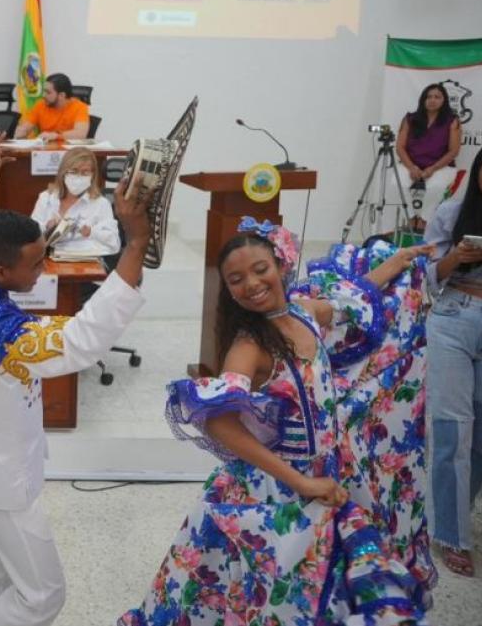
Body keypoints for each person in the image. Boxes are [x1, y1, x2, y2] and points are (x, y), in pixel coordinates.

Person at [120, 222, 432, 625]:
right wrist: (300, 482)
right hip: (272, 492)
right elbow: (219, 423)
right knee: (264, 596)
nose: (251, 283)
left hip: (327, 479)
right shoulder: (250, 344)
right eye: (236, 279)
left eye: (260, 269)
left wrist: (395, 262)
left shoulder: (307, 312)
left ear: (280, 266)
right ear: (228, 290)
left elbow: (356, 298)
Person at [0, 135, 150, 626]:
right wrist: (135, 244)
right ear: (0, 269)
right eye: (34, 263)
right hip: (3, 476)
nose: (42, 268)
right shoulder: (9, 336)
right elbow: (84, 339)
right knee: (43, 595)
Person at [424, 144, 482, 577]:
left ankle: (456, 514)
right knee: (452, 430)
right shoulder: (452, 212)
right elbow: (425, 274)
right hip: (452, 318)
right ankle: (451, 535)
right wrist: (455, 258)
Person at [29, 148, 119, 258]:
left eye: (85, 172)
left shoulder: (101, 204)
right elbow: (30, 235)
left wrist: (91, 232)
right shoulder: (46, 198)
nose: (79, 177)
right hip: (48, 260)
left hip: (85, 264)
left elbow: (114, 243)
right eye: (74, 171)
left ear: (93, 175)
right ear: (63, 172)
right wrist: (47, 227)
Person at [397, 83, 463, 230]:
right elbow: (400, 147)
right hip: (410, 164)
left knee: (436, 186)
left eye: (437, 97)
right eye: (429, 97)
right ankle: (411, 217)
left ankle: (424, 220)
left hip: (440, 166)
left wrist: (432, 168)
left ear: (444, 100)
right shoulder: (410, 118)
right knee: (398, 183)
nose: (432, 100)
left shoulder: (452, 121)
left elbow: (454, 151)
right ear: (423, 100)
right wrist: (412, 167)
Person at [14, 73, 89, 141]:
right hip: (45, 151)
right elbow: (26, 127)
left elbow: (80, 134)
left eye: (48, 92)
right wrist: (22, 131)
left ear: (61, 95)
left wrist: (56, 136)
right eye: (44, 91)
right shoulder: (41, 105)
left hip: (69, 153)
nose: (43, 95)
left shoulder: (80, 107)